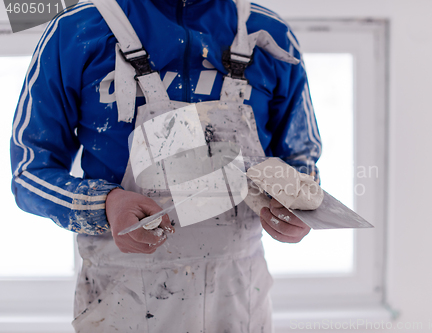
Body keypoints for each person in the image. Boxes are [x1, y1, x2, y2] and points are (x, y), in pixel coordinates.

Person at [10, 0, 322, 331]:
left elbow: (301, 159)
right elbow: (29, 173)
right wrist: (105, 205)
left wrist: (295, 204)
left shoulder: (270, 33)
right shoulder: (76, 30)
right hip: (123, 300)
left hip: (238, 298)